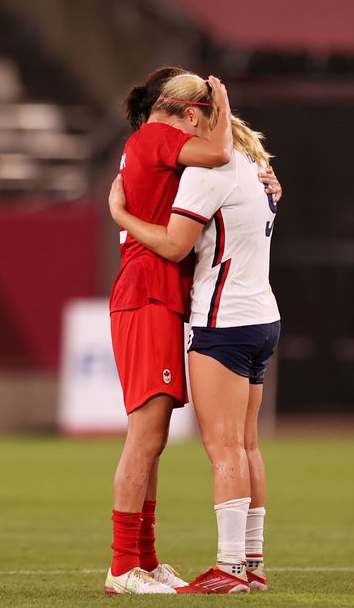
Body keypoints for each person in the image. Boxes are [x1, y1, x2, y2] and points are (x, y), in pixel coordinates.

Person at [109, 110, 283, 594]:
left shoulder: (209, 171)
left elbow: (172, 243)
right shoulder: (253, 163)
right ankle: (251, 562)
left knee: (223, 446)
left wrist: (122, 216)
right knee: (247, 444)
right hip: (263, 316)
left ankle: (229, 568)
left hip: (223, 320)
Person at [103, 68, 234, 595]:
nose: (203, 126)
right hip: (147, 295)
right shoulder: (159, 135)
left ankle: (145, 559)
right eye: (201, 115)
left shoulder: (146, 142)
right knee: (146, 437)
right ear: (187, 111)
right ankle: (121, 567)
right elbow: (220, 153)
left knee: (151, 439)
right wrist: (222, 102)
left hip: (151, 296)